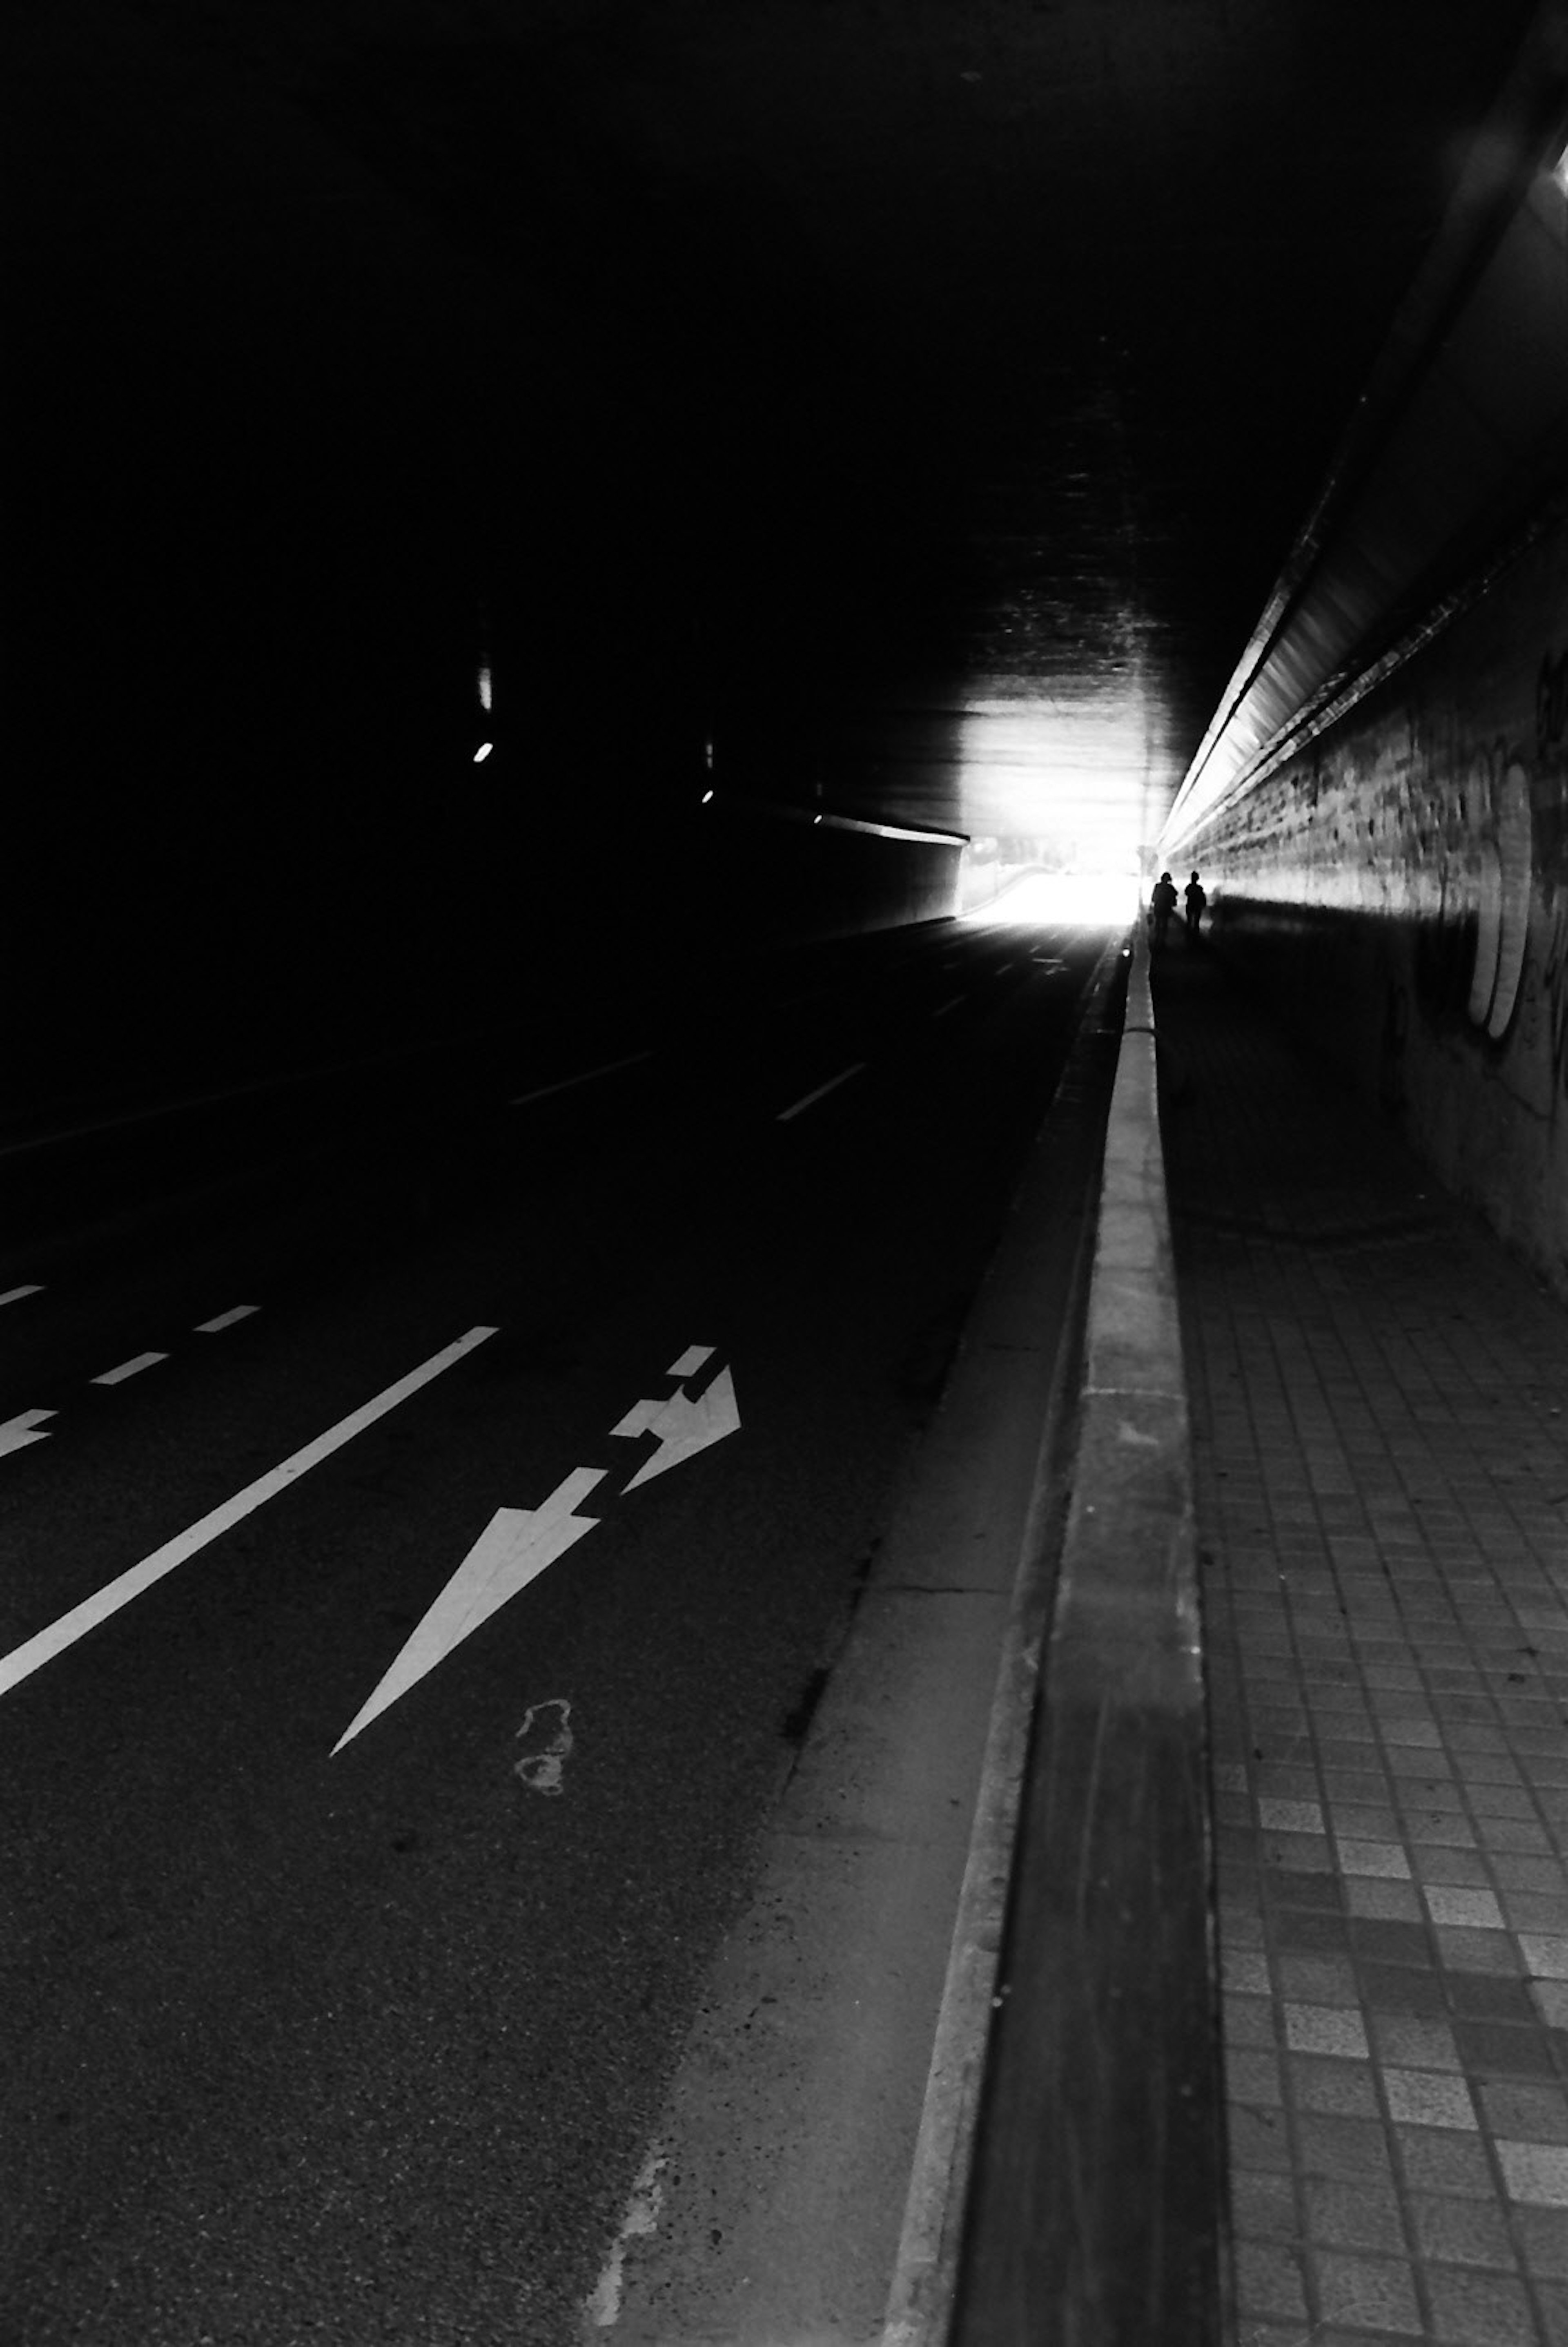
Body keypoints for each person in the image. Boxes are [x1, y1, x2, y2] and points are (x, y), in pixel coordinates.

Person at [1149, 870, 1178, 948]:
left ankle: (1157, 938)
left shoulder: (1158, 886)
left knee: (1158, 922)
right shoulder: (1170, 887)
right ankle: (1163, 940)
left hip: (1159, 907)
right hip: (1166, 907)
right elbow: (1176, 893)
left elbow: (1154, 897)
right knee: (1165, 923)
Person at [1183, 869, 1207, 940]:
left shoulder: (1189, 887)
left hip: (1190, 905)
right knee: (1196, 922)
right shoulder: (1200, 888)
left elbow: (1186, 893)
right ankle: (1196, 937)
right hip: (1197, 906)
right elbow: (1203, 897)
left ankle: (1189, 937)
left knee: (1189, 921)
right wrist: (1203, 904)